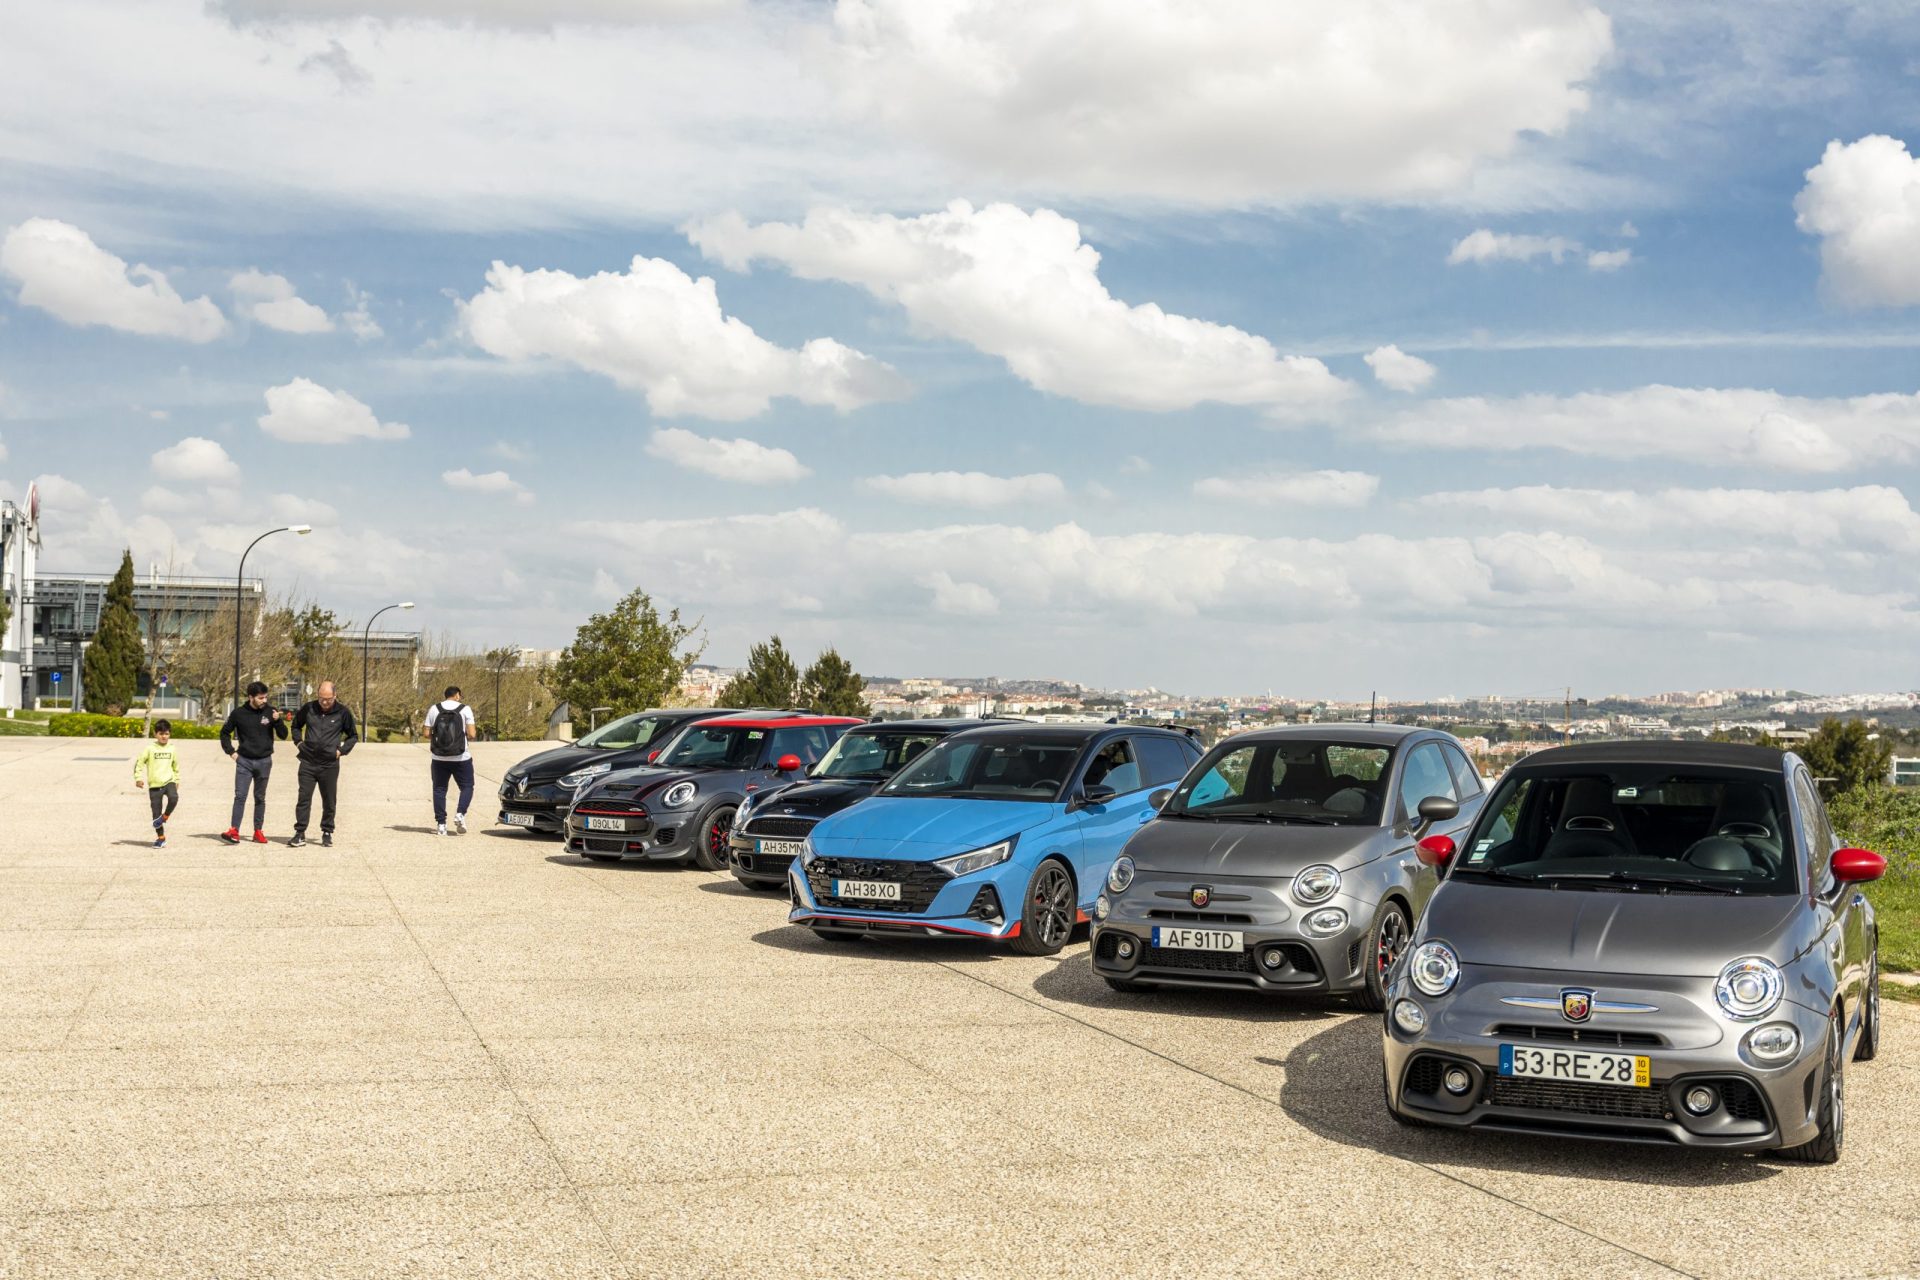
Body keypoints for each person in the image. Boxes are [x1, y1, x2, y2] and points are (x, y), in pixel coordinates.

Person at [290, 680, 358, 848]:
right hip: (308, 761)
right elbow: (296, 726)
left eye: (328, 699)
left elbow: (353, 736)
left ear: (335, 696)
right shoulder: (309, 708)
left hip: (329, 764)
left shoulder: (343, 713)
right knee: (304, 797)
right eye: (321, 699)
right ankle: (300, 833)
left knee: (329, 799)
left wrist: (341, 751)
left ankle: (327, 831)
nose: (325, 702)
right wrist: (299, 743)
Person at [220, 681, 287, 843]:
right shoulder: (238, 713)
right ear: (251, 697)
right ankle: (234, 831)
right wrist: (232, 753)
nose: (264, 700)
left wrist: (278, 721)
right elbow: (224, 733)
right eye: (260, 698)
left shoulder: (271, 712)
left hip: (265, 762)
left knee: (260, 797)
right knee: (240, 796)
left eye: (265, 697)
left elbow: (284, 735)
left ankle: (258, 831)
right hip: (244, 762)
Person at [424, 685, 476, 836]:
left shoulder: (434, 709)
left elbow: (426, 733)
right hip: (461, 757)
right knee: (467, 786)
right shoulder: (465, 709)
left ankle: (441, 825)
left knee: (439, 789)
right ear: (458, 695)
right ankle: (460, 814)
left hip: (439, 757)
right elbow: (472, 734)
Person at [133, 718, 182, 849]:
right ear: (155, 734)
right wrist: (138, 778)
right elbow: (139, 763)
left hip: (169, 781)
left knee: (174, 798)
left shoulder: (172, 749)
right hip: (154, 785)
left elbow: (176, 766)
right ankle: (161, 838)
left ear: (169, 734)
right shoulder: (150, 749)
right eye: (161, 734)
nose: (164, 736)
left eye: (166, 733)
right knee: (156, 815)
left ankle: (165, 816)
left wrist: (176, 780)